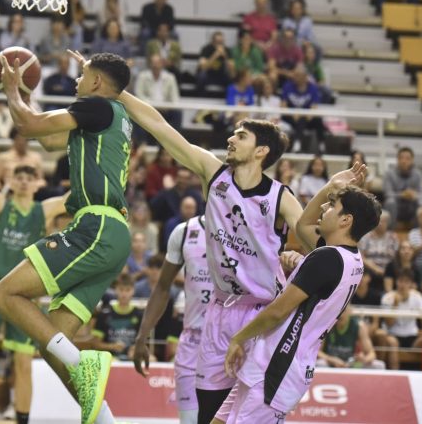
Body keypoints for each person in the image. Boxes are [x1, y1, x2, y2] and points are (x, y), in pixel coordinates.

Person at [119, 78, 347, 422]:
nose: (230, 138)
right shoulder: (214, 175)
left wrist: (300, 257)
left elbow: (320, 246)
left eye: (241, 135)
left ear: (261, 151)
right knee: (208, 414)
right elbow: (159, 126)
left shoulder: (280, 197)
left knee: (252, 414)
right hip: (220, 310)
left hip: (264, 313)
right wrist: (116, 91)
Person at [0, 51, 134, 424]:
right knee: (51, 343)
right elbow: (49, 140)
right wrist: (24, 98)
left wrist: (12, 89)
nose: (75, 82)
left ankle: (85, 364)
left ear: (97, 83)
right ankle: (106, 422)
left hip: (95, 227)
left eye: (82, 75)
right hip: (111, 233)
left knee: (3, 294)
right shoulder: (110, 118)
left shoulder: (97, 107)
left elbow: (30, 126)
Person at [221, 179, 382, 422]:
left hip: (276, 367)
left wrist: (238, 338)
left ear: (345, 220)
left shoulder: (326, 259)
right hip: (273, 362)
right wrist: (332, 185)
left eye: (331, 205)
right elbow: (303, 224)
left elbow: (278, 311)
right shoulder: (351, 259)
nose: (324, 209)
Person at [0, 100, 69, 424]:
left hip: (23, 295)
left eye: (29, 175)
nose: (23, 179)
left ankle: (23, 419)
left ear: (37, 181)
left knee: (23, 362)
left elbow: (78, 194)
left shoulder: (45, 210)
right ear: (11, 179)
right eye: (18, 175)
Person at [133, 214, 210, 424]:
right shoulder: (184, 232)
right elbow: (162, 287)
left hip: (230, 344)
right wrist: (142, 337)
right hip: (192, 344)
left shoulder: (244, 229)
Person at [373, 268, 422, 370]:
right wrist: (395, 305)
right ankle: (395, 374)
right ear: (396, 282)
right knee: (393, 343)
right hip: (393, 335)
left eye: (406, 282)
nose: (402, 285)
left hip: (412, 337)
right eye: (400, 281)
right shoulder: (388, 298)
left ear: (411, 284)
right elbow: (389, 324)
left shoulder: (417, 296)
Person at [92, 274, 144, 360]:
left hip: (132, 358)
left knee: (152, 360)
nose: (124, 294)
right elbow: (95, 344)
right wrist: (112, 346)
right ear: (115, 290)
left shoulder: (139, 315)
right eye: (121, 289)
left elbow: (144, 343)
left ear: (133, 291)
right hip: (110, 358)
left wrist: (135, 349)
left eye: (127, 290)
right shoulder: (104, 314)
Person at [317, 306, 385, 369]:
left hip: (351, 364)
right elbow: (317, 352)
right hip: (330, 363)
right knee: (320, 363)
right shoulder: (327, 325)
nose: (341, 314)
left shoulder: (359, 326)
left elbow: (372, 354)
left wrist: (364, 359)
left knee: (379, 365)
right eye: (338, 311)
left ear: (350, 311)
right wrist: (331, 359)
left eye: (344, 310)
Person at [281, 65, 325, 153]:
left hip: (306, 117)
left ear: (305, 76)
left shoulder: (312, 88)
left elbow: (314, 106)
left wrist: (308, 115)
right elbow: (283, 105)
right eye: (295, 75)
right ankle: (297, 143)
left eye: (298, 75)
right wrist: (292, 114)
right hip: (290, 117)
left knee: (318, 120)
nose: (295, 77)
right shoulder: (288, 86)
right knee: (301, 119)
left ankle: (321, 144)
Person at [358, 210, 398, 302]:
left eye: (384, 221)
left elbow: (396, 257)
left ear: (388, 223)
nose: (381, 223)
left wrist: (386, 270)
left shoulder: (393, 237)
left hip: (388, 271)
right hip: (370, 270)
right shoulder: (366, 237)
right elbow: (361, 257)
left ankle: (389, 300)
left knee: (391, 273)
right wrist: (375, 268)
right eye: (379, 221)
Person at [135, 54, 180, 133]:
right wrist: (150, 106)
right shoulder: (142, 76)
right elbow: (138, 94)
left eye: (157, 63)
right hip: (148, 109)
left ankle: (172, 143)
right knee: (137, 113)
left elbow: (174, 98)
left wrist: (167, 106)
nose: (155, 65)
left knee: (177, 113)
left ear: (162, 64)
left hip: (165, 109)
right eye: (153, 63)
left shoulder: (170, 77)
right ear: (150, 64)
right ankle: (142, 143)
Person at [383, 146, 422, 226]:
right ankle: (391, 232)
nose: (404, 161)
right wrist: (403, 195)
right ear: (397, 159)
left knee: (421, 204)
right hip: (396, 206)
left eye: (407, 158)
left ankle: (417, 233)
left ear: (412, 160)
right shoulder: (389, 174)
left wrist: (414, 195)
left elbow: (421, 194)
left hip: (411, 206)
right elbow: (388, 193)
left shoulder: (418, 175)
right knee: (390, 202)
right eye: (401, 158)